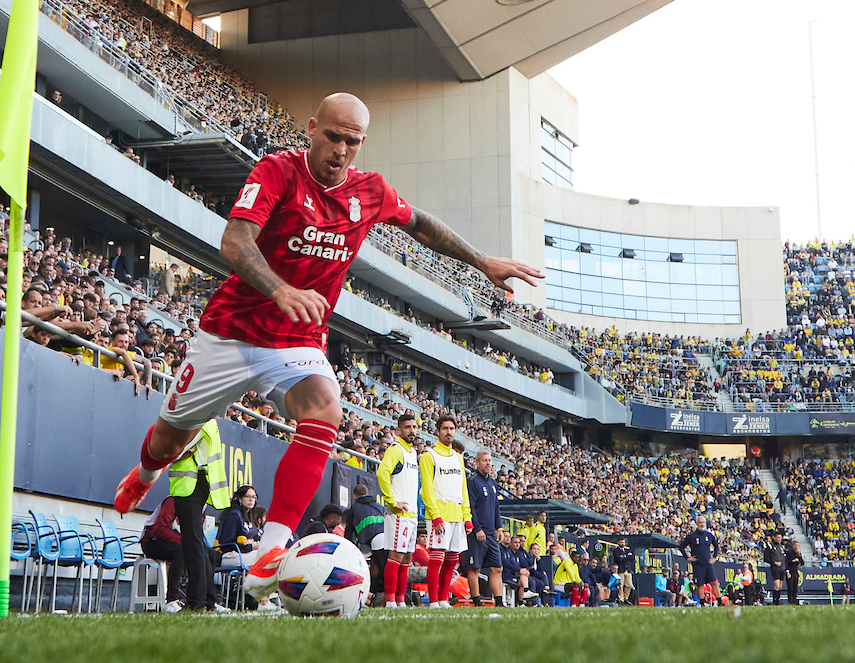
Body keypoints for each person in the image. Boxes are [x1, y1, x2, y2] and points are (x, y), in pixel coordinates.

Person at [113, 93, 542, 604]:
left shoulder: (370, 191)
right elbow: (235, 241)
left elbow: (421, 223)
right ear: (312, 128)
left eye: (352, 142)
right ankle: (143, 475)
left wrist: (481, 259)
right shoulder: (277, 172)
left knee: (325, 410)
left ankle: (272, 549)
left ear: (362, 144)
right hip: (229, 334)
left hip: (296, 340)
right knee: (166, 441)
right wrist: (280, 289)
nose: (340, 149)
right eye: (333, 136)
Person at [169, 418, 229, 612]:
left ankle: (196, 603)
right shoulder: (209, 420)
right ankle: (208, 601)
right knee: (198, 544)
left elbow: (173, 451)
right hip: (198, 483)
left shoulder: (197, 417)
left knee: (192, 544)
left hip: (190, 485)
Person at [419, 415, 473, 609]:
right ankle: (433, 600)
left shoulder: (459, 458)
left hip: (457, 515)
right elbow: (426, 489)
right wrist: (435, 516)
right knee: (436, 560)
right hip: (439, 515)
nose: (449, 432)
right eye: (445, 429)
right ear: (438, 431)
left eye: (451, 429)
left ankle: (443, 599)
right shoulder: (429, 456)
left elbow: (463, 489)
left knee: (452, 560)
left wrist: (467, 517)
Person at [378, 413, 420, 608]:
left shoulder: (412, 452)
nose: (412, 430)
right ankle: (390, 601)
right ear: (398, 430)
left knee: (406, 559)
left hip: (411, 515)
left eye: (414, 427)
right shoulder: (396, 449)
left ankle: (401, 600)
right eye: (407, 427)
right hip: (399, 514)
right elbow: (382, 472)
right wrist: (392, 501)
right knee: (395, 556)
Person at [466, 449, 504, 607]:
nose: (488, 463)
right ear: (477, 463)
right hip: (478, 533)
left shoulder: (492, 483)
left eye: (489, 460)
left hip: (491, 533)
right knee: (474, 568)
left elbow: (496, 507)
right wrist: (477, 529)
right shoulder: (473, 482)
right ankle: (477, 601)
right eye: (484, 460)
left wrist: (499, 527)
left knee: (497, 568)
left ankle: (500, 602)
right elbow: (470, 507)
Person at [139, 496, 185, 611]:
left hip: (168, 540)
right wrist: (183, 541)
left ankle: (205, 601)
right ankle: (171, 599)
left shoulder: (196, 509)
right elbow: (159, 530)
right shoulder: (172, 502)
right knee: (180, 553)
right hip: (151, 541)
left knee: (206, 554)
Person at [344, 483, 388, 602]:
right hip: (386, 537)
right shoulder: (379, 506)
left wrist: (348, 547)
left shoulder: (354, 508)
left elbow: (349, 531)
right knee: (384, 568)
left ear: (354, 496)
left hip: (370, 541)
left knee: (377, 569)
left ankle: (379, 595)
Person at [680, 515, 720, 606]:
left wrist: (715, 557)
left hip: (708, 563)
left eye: (703, 522)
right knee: (700, 584)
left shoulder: (709, 535)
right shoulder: (691, 536)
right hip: (698, 564)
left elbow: (717, 546)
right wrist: (687, 557)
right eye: (700, 522)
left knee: (714, 582)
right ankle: (702, 603)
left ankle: (720, 601)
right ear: (697, 523)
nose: (702, 524)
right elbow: (681, 546)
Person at [610, 537, 635, 605]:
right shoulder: (616, 550)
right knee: (621, 585)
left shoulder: (627, 550)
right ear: (618, 542)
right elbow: (618, 559)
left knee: (629, 585)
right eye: (621, 542)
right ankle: (621, 599)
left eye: (623, 542)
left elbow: (631, 558)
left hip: (628, 570)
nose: (622, 544)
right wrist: (626, 557)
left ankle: (625, 598)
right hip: (621, 570)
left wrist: (624, 557)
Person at [764, 530, 787, 605]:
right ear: (774, 537)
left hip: (782, 568)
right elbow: (766, 558)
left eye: (780, 537)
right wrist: (774, 562)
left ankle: (778, 600)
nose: (779, 539)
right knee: (776, 585)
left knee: (780, 586)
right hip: (775, 569)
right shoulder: (770, 546)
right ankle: (775, 601)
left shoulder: (782, 547)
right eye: (778, 537)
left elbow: (784, 558)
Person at [785, 539, 804, 605]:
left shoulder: (797, 553)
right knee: (790, 587)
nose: (797, 547)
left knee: (795, 587)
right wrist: (787, 571)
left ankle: (794, 600)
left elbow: (802, 563)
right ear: (793, 545)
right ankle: (790, 601)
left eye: (798, 545)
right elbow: (786, 562)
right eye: (796, 545)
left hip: (796, 572)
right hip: (790, 571)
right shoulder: (789, 553)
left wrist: (799, 555)